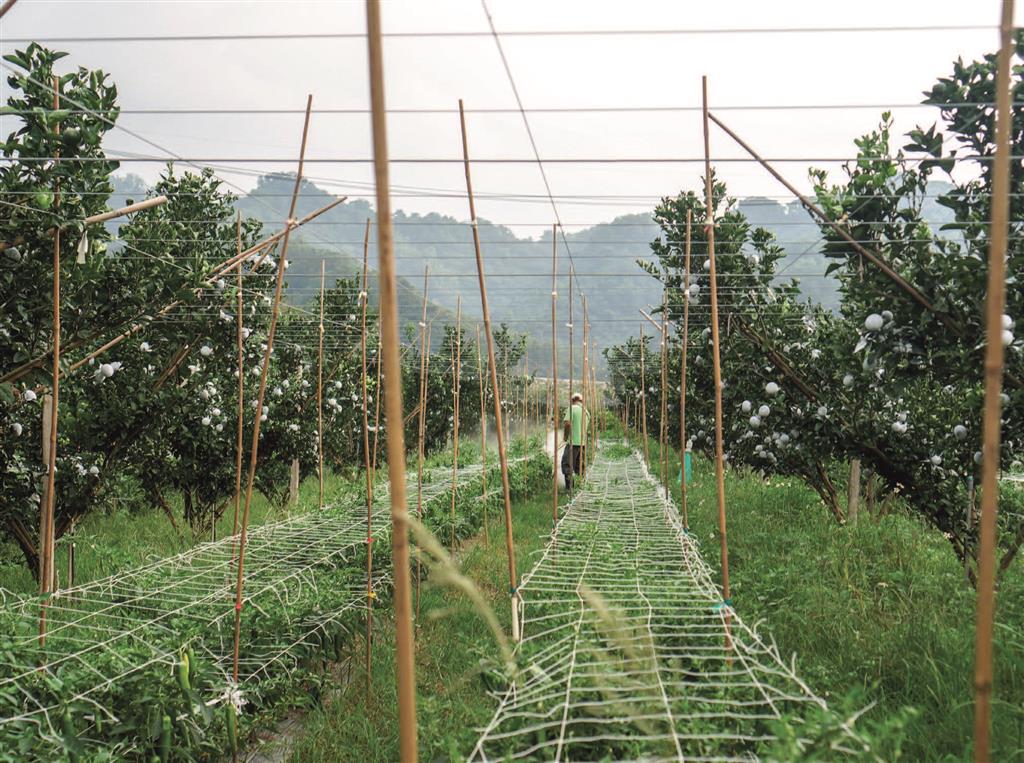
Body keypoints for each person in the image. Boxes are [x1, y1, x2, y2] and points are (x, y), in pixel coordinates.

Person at [561, 392, 589, 492]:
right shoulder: (586, 411)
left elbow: (567, 424)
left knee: (567, 465)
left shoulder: (572, 408)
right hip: (583, 443)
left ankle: (570, 489)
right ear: (581, 400)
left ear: (573, 400)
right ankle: (581, 487)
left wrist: (565, 437)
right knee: (579, 467)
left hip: (573, 443)